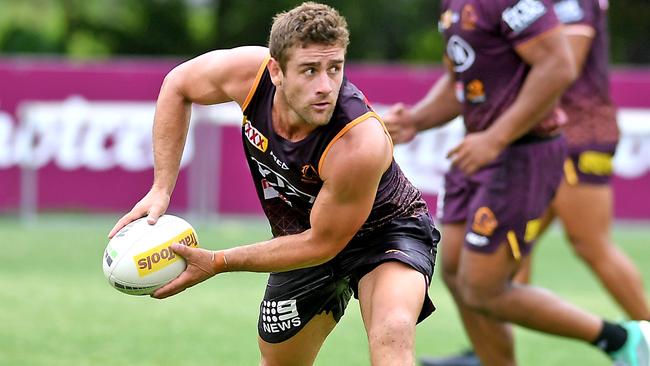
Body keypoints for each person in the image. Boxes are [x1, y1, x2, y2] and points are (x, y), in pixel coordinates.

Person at [108, 2, 440, 365]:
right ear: (276, 71)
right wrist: (161, 188)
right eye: (310, 70)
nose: (325, 86)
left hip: (386, 231)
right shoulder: (249, 77)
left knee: (392, 332)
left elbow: (323, 242)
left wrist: (219, 261)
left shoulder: (360, 143)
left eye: (335, 68)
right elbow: (178, 85)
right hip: (301, 234)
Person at [383, 0, 650, 365]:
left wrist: (495, 137)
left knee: (494, 281)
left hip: (526, 148)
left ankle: (626, 337)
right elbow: (461, 79)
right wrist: (416, 120)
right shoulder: (453, 5)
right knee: (458, 274)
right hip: (479, 149)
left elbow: (559, 64)